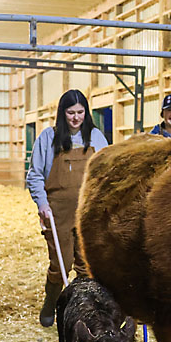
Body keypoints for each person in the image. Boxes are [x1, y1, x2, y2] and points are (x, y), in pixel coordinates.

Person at [26, 89, 109, 327]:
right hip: (57, 211)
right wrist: (42, 204)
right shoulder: (48, 138)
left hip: (87, 211)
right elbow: (35, 176)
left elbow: (104, 174)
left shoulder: (96, 137)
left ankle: (84, 311)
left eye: (80, 112)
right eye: (70, 112)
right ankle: (51, 303)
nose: (75, 118)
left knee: (86, 265)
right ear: (62, 113)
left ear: (86, 112)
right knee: (60, 262)